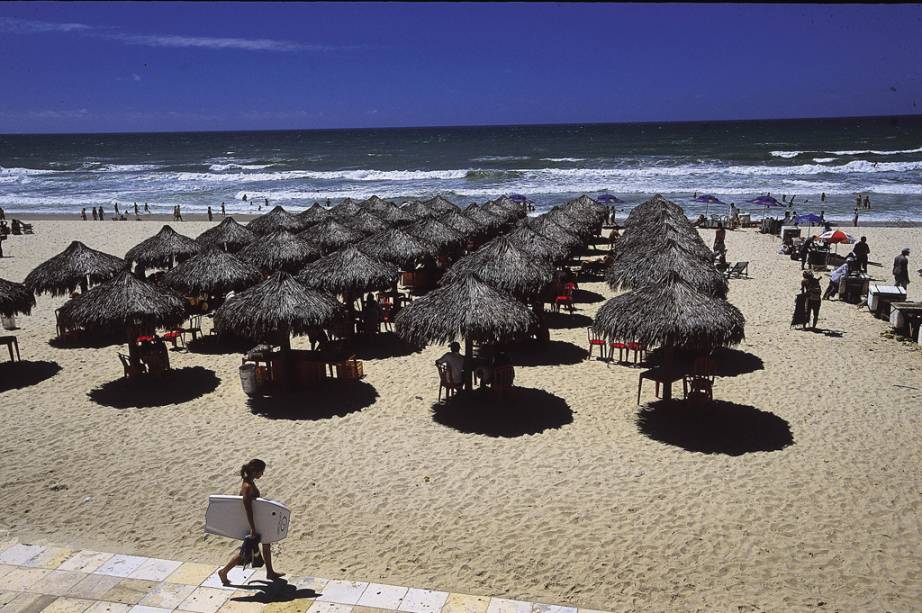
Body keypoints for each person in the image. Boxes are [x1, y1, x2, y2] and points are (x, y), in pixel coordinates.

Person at [218, 459, 284, 585]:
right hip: (252, 523)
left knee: (266, 544)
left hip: (256, 521)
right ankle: (224, 571)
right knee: (246, 551)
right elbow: (248, 509)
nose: (262, 475)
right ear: (255, 471)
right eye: (261, 472)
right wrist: (252, 528)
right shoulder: (247, 487)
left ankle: (270, 572)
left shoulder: (249, 482)